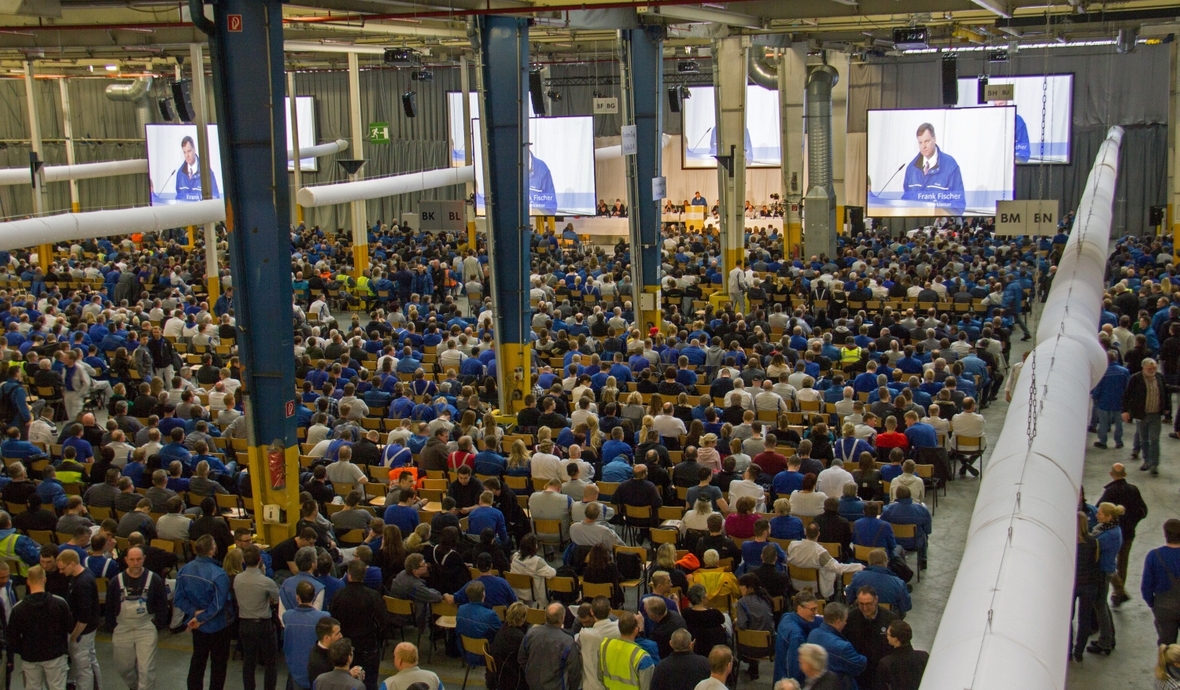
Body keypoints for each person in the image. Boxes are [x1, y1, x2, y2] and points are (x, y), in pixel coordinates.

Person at [106, 545, 170, 690]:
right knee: (124, 668)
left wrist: (156, 625)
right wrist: (113, 627)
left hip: (146, 628)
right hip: (122, 628)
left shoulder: (154, 579)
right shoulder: (116, 582)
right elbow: (109, 609)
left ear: (144, 559)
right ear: (126, 560)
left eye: (139, 559)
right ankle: (134, 686)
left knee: (146, 669)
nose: (136, 563)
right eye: (132, 559)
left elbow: (162, 606)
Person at [175, 534, 234, 690]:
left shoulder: (184, 570)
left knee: (198, 661)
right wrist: (201, 616)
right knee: (219, 664)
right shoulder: (219, 574)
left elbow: (178, 599)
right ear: (211, 550)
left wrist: (194, 614)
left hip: (197, 627)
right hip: (218, 626)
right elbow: (218, 605)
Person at [8, 566, 73, 690]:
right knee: (57, 687)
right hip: (55, 655)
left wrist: (23, 650)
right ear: (44, 579)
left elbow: (12, 637)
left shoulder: (18, 608)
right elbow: (69, 627)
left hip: (30, 656)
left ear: (28, 581)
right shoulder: (59, 603)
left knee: (33, 687)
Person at [329, 560, 387, 690]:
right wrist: (378, 637)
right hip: (368, 643)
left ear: (349, 575)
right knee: (370, 680)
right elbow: (384, 621)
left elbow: (332, 618)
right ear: (364, 575)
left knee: (345, 679)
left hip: (345, 645)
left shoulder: (338, 595)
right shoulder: (373, 596)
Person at [1097, 462, 1148, 607]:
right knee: (1123, 562)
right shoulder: (1133, 490)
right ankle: (1118, 594)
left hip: (1112, 533)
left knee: (1108, 562)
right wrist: (1133, 522)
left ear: (1111, 474)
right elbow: (1143, 511)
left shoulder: (1110, 492)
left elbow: (1098, 510)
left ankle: (1119, 590)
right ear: (1125, 474)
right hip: (1128, 534)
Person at [234, 544, 280, 690]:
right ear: (260, 560)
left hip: (245, 625)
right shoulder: (266, 582)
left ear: (244, 560)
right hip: (263, 625)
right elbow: (276, 599)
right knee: (270, 662)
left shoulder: (237, 579)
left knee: (249, 661)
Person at [55, 550, 101, 690]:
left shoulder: (82, 584)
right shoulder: (82, 575)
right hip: (86, 631)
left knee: (83, 668)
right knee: (90, 661)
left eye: (63, 568)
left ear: (73, 564)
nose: (61, 572)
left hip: (82, 633)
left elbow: (84, 617)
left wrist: (74, 637)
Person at [900, 122, 965, 216]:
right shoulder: (911, 168)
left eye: (927, 141)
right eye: (920, 142)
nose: (923, 146)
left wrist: (935, 211)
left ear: (934, 139)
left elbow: (958, 205)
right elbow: (906, 201)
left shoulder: (950, 166)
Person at [842, 586, 898, 690]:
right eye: (861, 604)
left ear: (876, 600)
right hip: (860, 672)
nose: (865, 608)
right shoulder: (850, 618)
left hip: (881, 672)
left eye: (868, 604)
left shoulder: (890, 619)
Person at [1088, 502, 1125, 656]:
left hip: (1103, 572)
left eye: (1100, 514)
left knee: (1100, 606)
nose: (1097, 515)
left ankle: (1105, 642)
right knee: (1102, 605)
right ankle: (1108, 638)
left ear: (1109, 517)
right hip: (1106, 571)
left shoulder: (1109, 535)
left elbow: (1093, 546)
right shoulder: (1110, 529)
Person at [519, 602, 581, 690]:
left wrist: (531, 675)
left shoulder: (531, 633)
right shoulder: (568, 642)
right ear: (562, 618)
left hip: (534, 684)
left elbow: (522, 658)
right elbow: (574, 672)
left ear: (545, 616)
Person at [805, 602, 867, 687]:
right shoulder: (843, 647)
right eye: (845, 620)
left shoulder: (812, 634)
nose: (846, 623)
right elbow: (860, 665)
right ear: (838, 622)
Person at [283, 583, 331, 690]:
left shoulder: (287, 616)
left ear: (297, 597)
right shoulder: (324, 617)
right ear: (314, 595)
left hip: (295, 671)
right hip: (317, 671)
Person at [1123, 358, 1166, 474]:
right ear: (1143, 368)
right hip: (1141, 414)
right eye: (1149, 368)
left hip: (1155, 414)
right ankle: (1146, 460)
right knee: (1144, 440)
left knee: (1154, 439)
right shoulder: (1135, 379)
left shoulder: (1159, 377)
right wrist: (1125, 411)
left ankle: (1154, 464)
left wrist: (1167, 409)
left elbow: (1164, 392)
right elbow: (1127, 395)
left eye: (1154, 368)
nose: (1152, 370)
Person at [1143, 519, 1180, 646]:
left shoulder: (1154, 555)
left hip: (1164, 607)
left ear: (1165, 534)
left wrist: (1153, 604)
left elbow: (1146, 587)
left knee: (1167, 647)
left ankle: (1167, 666)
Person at [596, 611, 656, 690]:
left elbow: (600, 676)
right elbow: (647, 687)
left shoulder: (605, 646)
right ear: (636, 630)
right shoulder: (642, 657)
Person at [774, 591, 822, 685]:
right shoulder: (797, 636)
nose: (816, 613)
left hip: (779, 677)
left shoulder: (786, 617)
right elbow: (795, 668)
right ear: (799, 608)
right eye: (813, 609)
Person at [875, 621, 928, 690]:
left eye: (888, 634)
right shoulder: (924, 656)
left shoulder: (886, 663)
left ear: (896, 639)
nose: (886, 636)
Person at [173, 135, 220, 201]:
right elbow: (178, 198)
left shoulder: (206, 172)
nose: (187, 156)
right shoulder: (180, 174)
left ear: (194, 149)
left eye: (189, 151)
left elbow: (215, 197)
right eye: (184, 152)